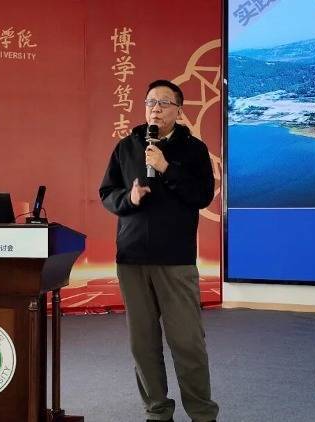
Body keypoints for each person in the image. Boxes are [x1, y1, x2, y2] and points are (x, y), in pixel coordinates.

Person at [99, 80, 219, 422]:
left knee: (187, 342)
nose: (156, 108)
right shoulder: (127, 147)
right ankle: (156, 410)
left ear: (179, 110)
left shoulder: (193, 149)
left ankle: (202, 413)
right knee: (143, 344)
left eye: (164, 102)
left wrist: (167, 168)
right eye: (151, 102)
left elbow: (202, 196)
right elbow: (107, 192)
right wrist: (129, 198)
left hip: (175, 259)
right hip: (132, 258)